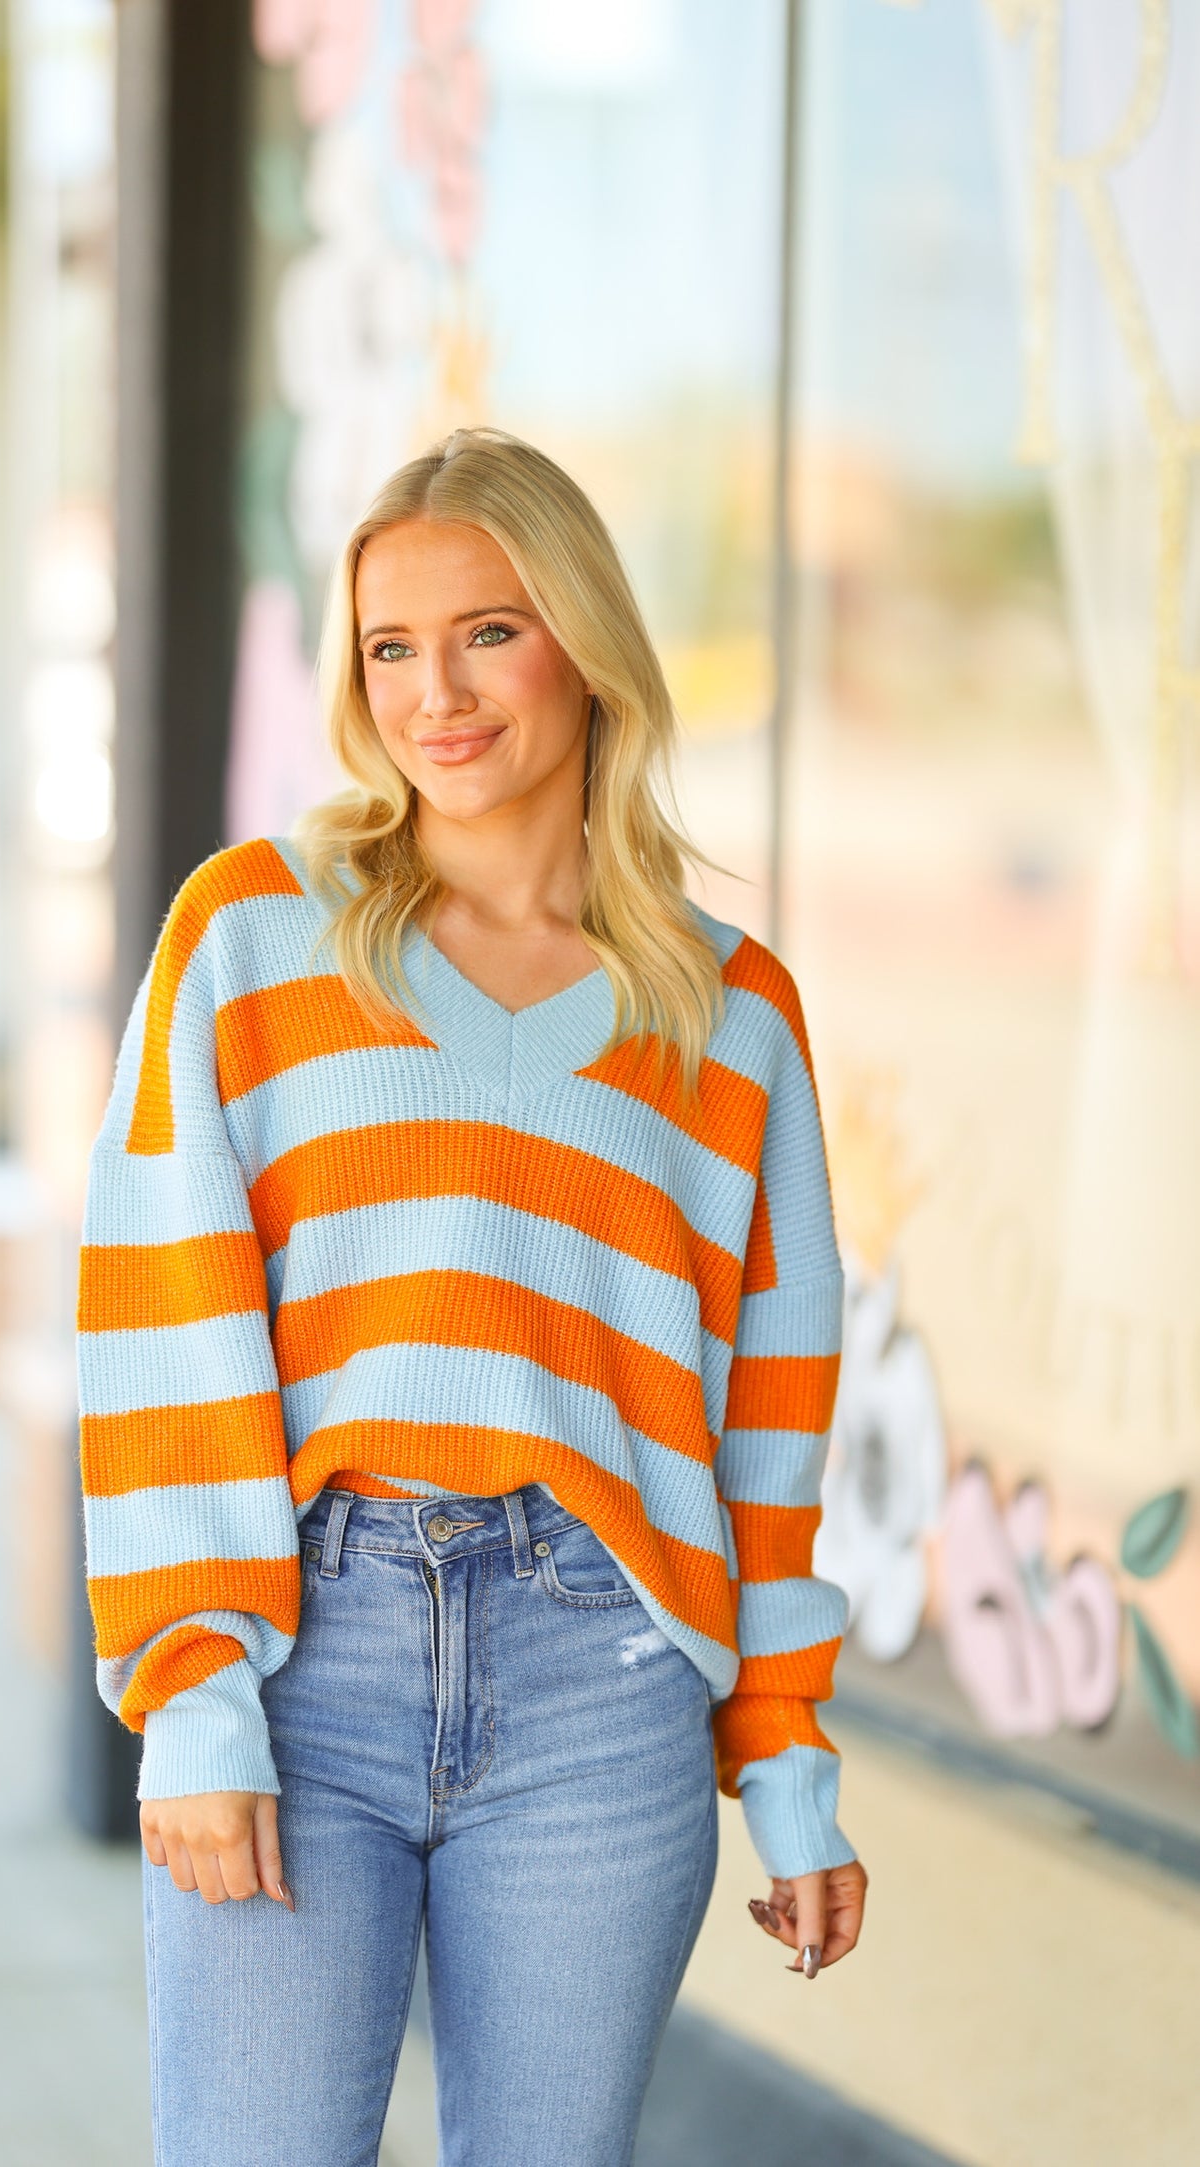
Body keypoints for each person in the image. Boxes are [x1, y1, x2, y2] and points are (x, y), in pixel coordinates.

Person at [75, 425, 868, 2166]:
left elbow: (771, 1412)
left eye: (487, 631)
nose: (436, 692)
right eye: (388, 647)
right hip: (301, 1658)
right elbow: (161, 1307)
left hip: (606, 1681)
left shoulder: (732, 1016)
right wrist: (196, 1688)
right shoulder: (255, 936)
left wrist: (784, 1762)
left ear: (582, 640)